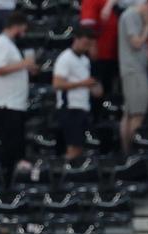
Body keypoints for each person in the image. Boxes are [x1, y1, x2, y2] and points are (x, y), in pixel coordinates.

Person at [0, 12, 35, 184]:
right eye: (23, 29)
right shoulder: (1, 43)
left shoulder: (10, 45)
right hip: (5, 103)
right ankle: (4, 182)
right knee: (10, 146)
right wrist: (23, 64)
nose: (24, 33)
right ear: (17, 26)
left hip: (15, 103)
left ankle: (12, 180)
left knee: (16, 146)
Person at [117, 0, 148, 155]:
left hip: (134, 69)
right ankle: (132, 154)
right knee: (137, 115)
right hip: (134, 71)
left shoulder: (132, 15)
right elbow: (137, 42)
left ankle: (127, 153)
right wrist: (146, 25)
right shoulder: (131, 15)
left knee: (129, 114)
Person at [53, 26, 97, 160]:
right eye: (84, 43)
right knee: (73, 147)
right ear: (76, 40)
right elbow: (57, 84)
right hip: (70, 107)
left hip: (82, 106)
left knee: (79, 146)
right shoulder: (65, 58)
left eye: (89, 45)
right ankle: (67, 174)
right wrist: (82, 84)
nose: (86, 47)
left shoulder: (85, 60)